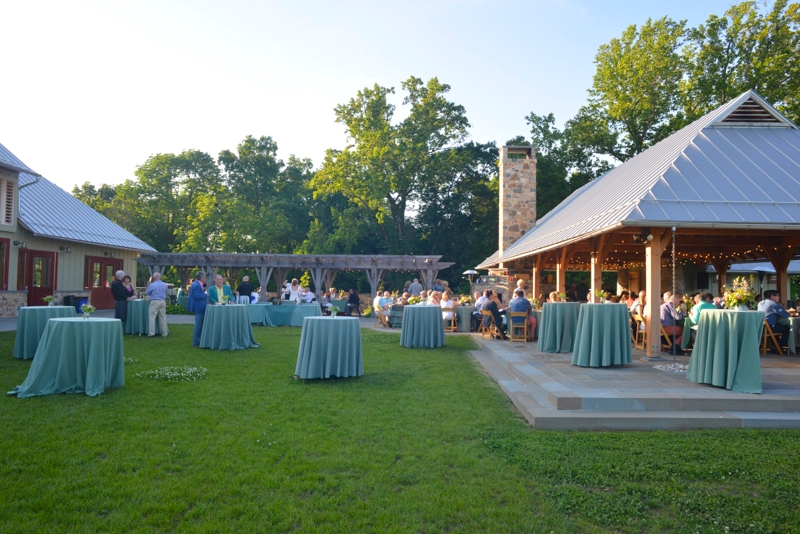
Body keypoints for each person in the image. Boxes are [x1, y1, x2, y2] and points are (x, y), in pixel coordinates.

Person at [144, 272, 169, 337]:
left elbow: (147, 292)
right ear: (160, 277)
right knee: (163, 317)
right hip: (163, 301)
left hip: (154, 301)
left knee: (152, 317)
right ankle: (164, 333)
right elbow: (166, 292)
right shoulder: (165, 285)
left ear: (154, 278)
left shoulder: (152, 285)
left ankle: (151, 333)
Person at [187, 271, 208, 347]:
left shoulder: (197, 284)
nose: (205, 279)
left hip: (200, 307)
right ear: (202, 278)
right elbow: (197, 296)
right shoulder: (196, 285)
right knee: (198, 325)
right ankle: (196, 342)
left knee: (200, 324)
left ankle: (198, 341)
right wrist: (206, 295)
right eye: (205, 277)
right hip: (199, 307)